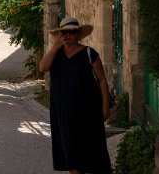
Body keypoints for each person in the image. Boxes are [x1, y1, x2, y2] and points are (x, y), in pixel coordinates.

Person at [39, 16, 112, 174]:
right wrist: (54, 47)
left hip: (88, 112)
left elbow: (102, 81)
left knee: (91, 150)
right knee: (71, 153)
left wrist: (105, 105)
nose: (68, 36)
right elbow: (42, 68)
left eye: (72, 32)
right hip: (63, 112)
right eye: (64, 32)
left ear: (78, 34)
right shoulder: (56, 55)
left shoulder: (89, 53)